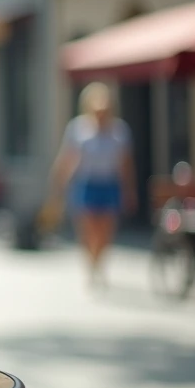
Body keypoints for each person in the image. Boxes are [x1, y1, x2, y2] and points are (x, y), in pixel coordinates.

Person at [50, 82, 137, 287]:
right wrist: (59, 184)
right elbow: (67, 158)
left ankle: (99, 263)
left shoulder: (119, 131)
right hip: (86, 183)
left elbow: (125, 164)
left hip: (109, 182)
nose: (101, 114)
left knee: (105, 229)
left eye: (104, 110)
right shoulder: (78, 129)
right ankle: (91, 265)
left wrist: (129, 190)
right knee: (88, 229)